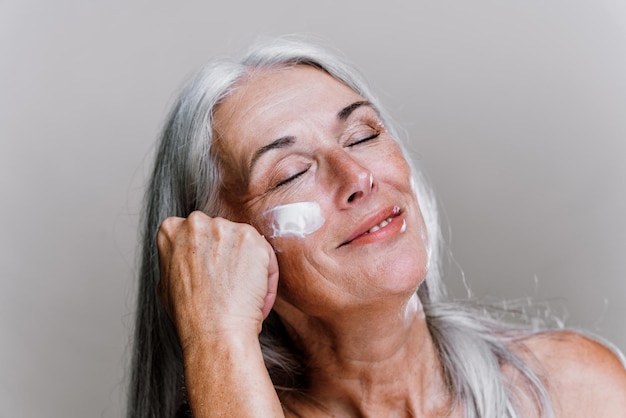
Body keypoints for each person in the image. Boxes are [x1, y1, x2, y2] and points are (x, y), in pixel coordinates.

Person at [127, 36, 626, 417]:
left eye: (362, 135)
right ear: (223, 248)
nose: (358, 177)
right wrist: (218, 337)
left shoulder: (572, 388)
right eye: (292, 172)